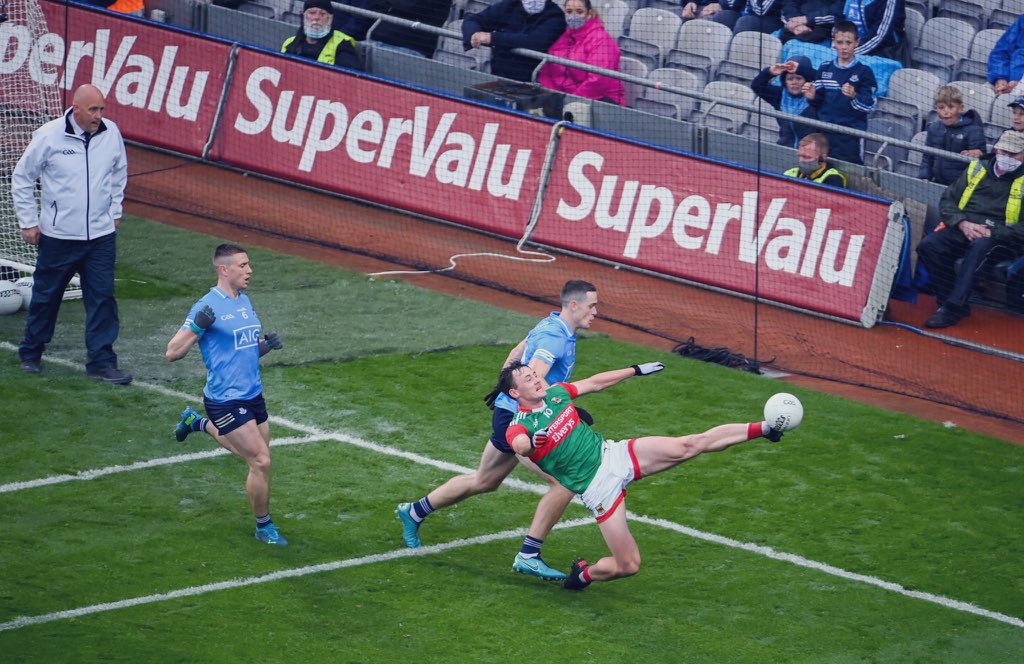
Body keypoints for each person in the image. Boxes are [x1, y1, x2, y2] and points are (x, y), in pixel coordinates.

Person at [498, 361, 787, 590]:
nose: (536, 379)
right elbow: (518, 444)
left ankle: (765, 428)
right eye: (527, 378)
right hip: (598, 489)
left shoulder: (557, 393)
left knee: (688, 445)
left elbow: (596, 382)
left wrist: (635, 370)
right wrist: (532, 442)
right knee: (629, 565)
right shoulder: (520, 424)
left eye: (534, 374)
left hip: (614, 454)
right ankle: (585, 575)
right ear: (515, 393)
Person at [397, 280, 599, 581]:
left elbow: (516, 354)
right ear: (573, 305)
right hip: (522, 421)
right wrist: (561, 407)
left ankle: (414, 512)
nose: (595, 312)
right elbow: (533, 378)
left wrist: (503, 389)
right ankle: (529, 555)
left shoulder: (550, 324)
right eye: (591, 305)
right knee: (563, 484)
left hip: (509, 413)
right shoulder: (556, 338)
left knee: (485, 480)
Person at [165, 244, 289, 545]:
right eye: (243, 265)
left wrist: (265, 346)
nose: (250, 271)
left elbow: (244, 353)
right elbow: (172, 353)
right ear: (224, 269)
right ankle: (263, 525)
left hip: (253, 395)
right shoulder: (206, 306)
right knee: (260, 461)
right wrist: (196, 327)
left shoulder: (244, 301)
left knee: (256, 458)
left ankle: (198, 423)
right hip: (225, 399)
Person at [11, 84, 131, 384]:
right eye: (93, 110)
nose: (99, 116)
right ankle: (31, 352)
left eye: (102, 109)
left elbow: (119, 172)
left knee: (102, 298)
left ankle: (102, 362)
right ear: (76, 108)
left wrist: (115, 211)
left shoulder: (111, 132)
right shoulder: (49, 136)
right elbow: (22, 177)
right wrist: (28, 222)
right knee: (46, 297)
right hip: (59, 237)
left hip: (101, 238)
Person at [916, 130, 1024, 329]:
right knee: (929, 245)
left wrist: (992, 231)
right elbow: (948, 201)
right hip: (965, 227)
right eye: (1003, 151)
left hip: (1002, 239)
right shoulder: (977, 168)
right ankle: (948, 300)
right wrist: (962, 223)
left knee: (980, 247)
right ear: (996, 149)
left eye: (1013, 154)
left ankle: (953, 308)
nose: (1006, 157)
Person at [806, 21, 876, 165]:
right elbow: (818, 102)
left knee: (849, 175)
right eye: (840, 42)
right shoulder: (825, 68)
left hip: (850, 136)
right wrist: (812, 98)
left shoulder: (864, 72)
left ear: (857, 43)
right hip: (824, 132)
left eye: (848, 42)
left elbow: (870, 106)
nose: (844, 47)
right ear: (833, 42)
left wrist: (854, 96)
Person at [536, 0, 625, 105]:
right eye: (569, 11)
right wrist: (553, 94)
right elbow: (546, 71)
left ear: (589, 14)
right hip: (564, 98)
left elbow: (598, 80)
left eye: (579, 12)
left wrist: (570, 100)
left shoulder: (601, 40)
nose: (573, 16)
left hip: (601, 100)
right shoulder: (562, 38)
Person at [462, 0, 566, 83]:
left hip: (531, 83)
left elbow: (533, 41)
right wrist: (474, 34)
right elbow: (472, 20)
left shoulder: (556, 16)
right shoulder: (510, 5)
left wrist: (492, 38)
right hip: (496, 77)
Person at [918, 85, 986, 187]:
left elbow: (981, 158)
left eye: (951, 107)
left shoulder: (974, 129)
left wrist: (977, 154)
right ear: (936, 109)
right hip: (937, 183)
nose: (946, 112)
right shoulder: (934, 128)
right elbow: (927, 157)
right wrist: (924, 177)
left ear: (961, 108)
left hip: (962, 187)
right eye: (941, 107)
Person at [750, 56, 818, 149]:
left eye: (798, 78)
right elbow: (756, 85)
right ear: (784, 81)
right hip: (784, 148)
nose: (794, 82)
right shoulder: (778, 95)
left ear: (807, 80)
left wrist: (803, 70)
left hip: (810, 151)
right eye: (790, 79)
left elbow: (823, 80)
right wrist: (769, 72)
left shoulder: (817, 98)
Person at [281, 0, 363, 71]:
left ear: (330, 19)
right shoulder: (289, 43)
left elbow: (350, 79)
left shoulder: (342, 45)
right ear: (304, 17)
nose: (316, 17)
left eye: (322, 14)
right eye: (312, 13)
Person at [365, 0, 452, 58]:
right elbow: (375, 4)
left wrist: (390, 3)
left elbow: (409, 6)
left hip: (411, 51)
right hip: (374, 40)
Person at [988, 14, 1024, 96]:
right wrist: (1001, 79)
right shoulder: (1023, 21)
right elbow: (1000, 53)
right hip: (1005, 84)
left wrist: (1019, 85)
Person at [709, 0, 785, 35]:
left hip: (772, 22)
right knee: (723, 16)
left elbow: (761, 10)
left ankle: (733, 59)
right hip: (748, 15)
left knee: (745, 22)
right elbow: (731, 4)